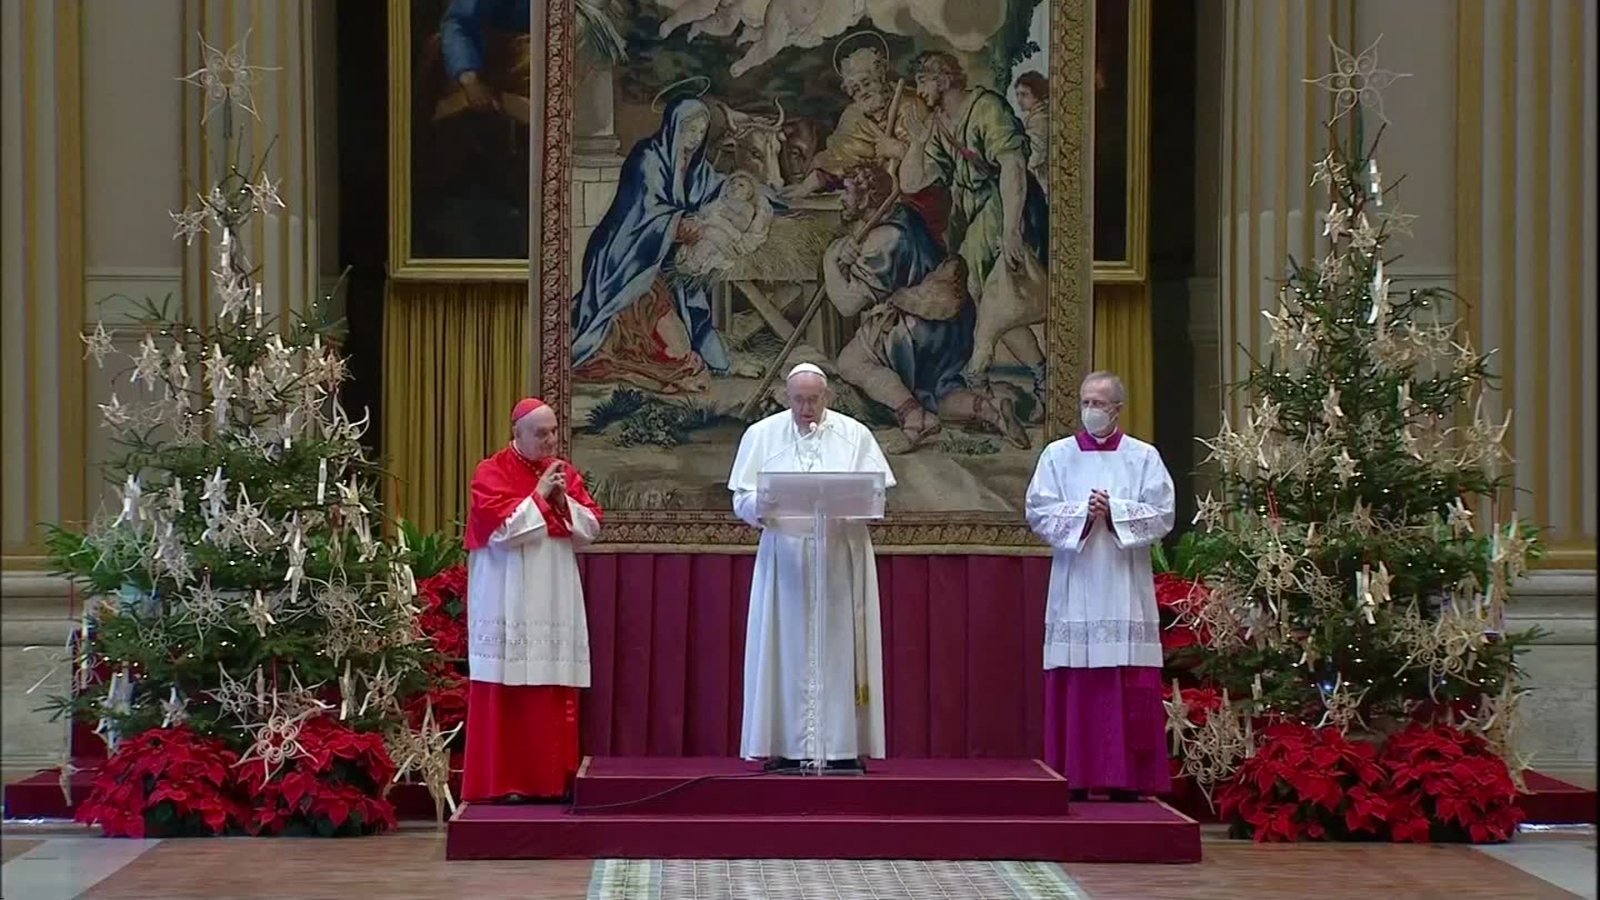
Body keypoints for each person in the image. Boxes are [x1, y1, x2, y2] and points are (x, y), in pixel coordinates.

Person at [728, 363, 895, 772]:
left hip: (839, 554)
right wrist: (759, 505)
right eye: (799, 400)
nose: (806, 409)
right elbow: (741, 499)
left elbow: (876, 494)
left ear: (828, 397)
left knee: (840, 650)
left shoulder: (854, 434)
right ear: (788, 397)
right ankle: (786, 744)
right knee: (782, 648)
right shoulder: (762, 435)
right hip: (784, 558)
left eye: (814, 400)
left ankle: (839, 746)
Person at [1023, 372, 1174, 801]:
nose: (1092, 410)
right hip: (1077, 581)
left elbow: (1163, 513)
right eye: (1086, 401)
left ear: (1117, 409)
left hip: (1125, 583)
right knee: (1078, 679)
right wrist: (1084, 514)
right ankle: (1075, 775)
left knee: (1126, 676)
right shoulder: (1058, 456)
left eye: (1100, 403)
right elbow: (1038, 511)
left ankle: (1129, 781)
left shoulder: (1143, 457)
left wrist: (1117, 510)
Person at [824, 165, 1028, 450]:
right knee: (938, 390)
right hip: (953, 327)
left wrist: (829, 262)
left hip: (915, 326)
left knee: (851, 362)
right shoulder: (907, 218)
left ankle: (914, 417)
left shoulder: (884, 240)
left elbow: (847, 305)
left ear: (867, 197)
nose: (839, 199)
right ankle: (987, 408)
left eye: (845, 192)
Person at [461, 397, 603, 802]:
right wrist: (540, 496)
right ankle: (504, 782)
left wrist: (561, 501)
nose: (550, 440)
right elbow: (501, 530)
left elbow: (590, 526)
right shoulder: (490, 471)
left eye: (554, 431)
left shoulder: (564, 475)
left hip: (553, 591)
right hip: (506, 591)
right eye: (540, 434)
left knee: (550, 682)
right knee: (506, 682)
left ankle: (551, 781)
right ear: (517, 434)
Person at [898, 51, 1049, 403]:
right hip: (973, 214)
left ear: (943, 78)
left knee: (994, 294)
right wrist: (917, 145)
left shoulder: (986, 108)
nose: (920, 92)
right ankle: (1041, 376)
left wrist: (1011, 229)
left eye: (923, 81)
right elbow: (911, 183)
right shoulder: (939, 123)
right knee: (987, 298)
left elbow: (1012, 166)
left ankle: (979, 370)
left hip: (1009, 205)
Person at [570, 95, 732, 394]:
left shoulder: (696, 166)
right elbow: (644, 210)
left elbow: (722, 188)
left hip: (660, 261)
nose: (695, 139)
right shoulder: (647, 157)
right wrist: (679, 223)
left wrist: (758, 196)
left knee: (679, 349)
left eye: (700, 132)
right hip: (626, 257)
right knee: (678, 355)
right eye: (690, 131)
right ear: (673, 127)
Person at [1012, 70, 1049, 195]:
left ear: (1037, 94)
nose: (1019, 100)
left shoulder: (1040, 119)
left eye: (1024, 95)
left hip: (1040, 183)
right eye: (1017, 95)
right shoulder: (1033, 117)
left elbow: (1036, 156)